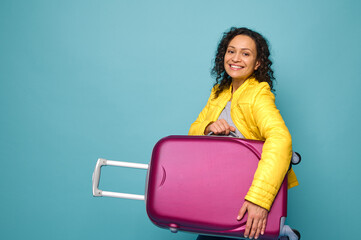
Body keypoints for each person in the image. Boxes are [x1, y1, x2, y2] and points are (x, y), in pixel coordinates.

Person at [188, 27, 298, 240]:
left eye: (245, 53)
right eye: (231, 51)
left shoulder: (259, 93)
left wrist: (259, 200)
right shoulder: (219, 92)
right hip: (216, 191)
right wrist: (209, 127)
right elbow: (192, 133)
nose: (235, 58)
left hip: (247, 194)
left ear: (257, 63)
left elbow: (280, 138)